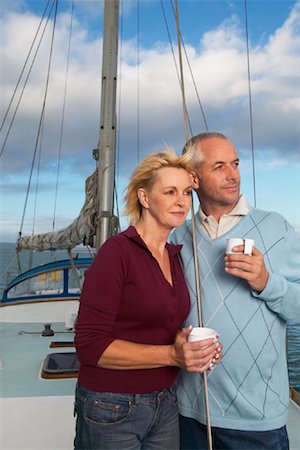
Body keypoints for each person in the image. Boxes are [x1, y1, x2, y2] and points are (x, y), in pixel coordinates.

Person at [74, 149, 222, 450]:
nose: (181, 202)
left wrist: (188, 345)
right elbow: (89, 345)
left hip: (165, 401)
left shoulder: (173, 255)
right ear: (144, 198)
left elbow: (160, 322)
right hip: (111, 406)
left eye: (186, 193)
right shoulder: (117, 253)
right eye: (169, 192)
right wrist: (172, 355)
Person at [172, 132, 300, 450]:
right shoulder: (177, 237)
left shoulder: (277, 228)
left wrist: (266, 281)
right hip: (187, 415)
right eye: (219, 166)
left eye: (235, 163)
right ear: (194, 178)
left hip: (258, 423)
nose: (233, 174)